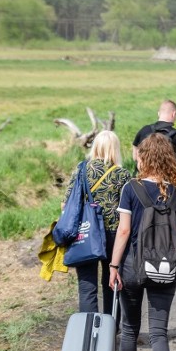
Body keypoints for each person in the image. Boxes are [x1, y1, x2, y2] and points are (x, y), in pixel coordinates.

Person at [109, 133, 176, 351]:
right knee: (159, 332)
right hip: (164, 268)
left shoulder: (131, 188)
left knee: (129, 329)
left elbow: (125, 231)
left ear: (143, 157)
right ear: (168, 158)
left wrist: (114, 266)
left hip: (132, 267)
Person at [62, 131, 132, 321]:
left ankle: (88, 333)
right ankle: (110, 332)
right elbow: (129, 209)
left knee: (87, 286)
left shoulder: (81, 169)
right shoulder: (122, 174)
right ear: (115, 149)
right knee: (112, 281)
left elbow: (65, 204)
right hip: (113, 235)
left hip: (85, 234)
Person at [133, 100, 176, 170]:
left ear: (158, 113)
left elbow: (135, 157)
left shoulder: (144, 130)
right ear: (174, 114)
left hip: (144, 177)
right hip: (168, 178)